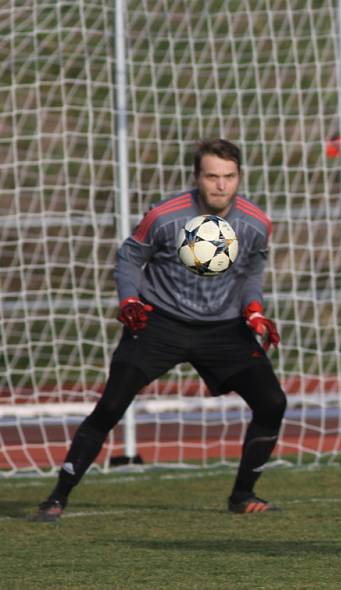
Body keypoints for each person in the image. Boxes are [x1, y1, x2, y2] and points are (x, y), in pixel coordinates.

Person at [33, 138, 286, 522]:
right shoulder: (166, 216)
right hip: (159, 323)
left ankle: (242, 495)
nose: (221, 185)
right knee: (112, 406)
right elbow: (129, 258)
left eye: (229, 177)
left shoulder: (255, 222)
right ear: (197, 177)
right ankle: (57, 497)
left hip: (221, 328)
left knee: (272, 403)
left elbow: (252, 270)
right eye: (212, 176)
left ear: (239, 177)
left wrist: (253, 310)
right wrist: (129, 300)